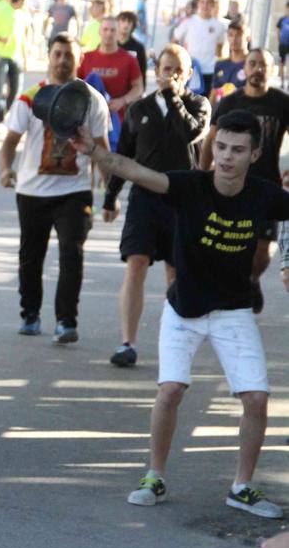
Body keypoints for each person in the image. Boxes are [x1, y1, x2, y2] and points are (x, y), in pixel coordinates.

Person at [86, 110, 289, 519]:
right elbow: (135, 170)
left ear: (256, 154)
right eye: (222, 147)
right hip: (184, 310)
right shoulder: (190, 186)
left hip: (233, 311)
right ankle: (154, 476)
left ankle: (242, 486)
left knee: (256, 398)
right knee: (171, 390)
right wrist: (94, 151)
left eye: (238, 150)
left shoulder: (264, 195)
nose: (227, 157)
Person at [100, 44, 210, 368]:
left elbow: (191, 132)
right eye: (166, 68)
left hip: (181, 200)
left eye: (178, 69)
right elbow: (125, 156)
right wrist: (110, 198)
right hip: (144, 199)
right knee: (136, 262)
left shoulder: (199, 105)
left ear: (189, 74)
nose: (171, 74)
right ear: (156, 71)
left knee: (175, 271)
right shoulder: (139, 109)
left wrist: (175, 97)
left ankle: (173, 343)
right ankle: (127, 342)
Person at [0, 34, 109, 343]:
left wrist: (109, 193)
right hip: (32, 192)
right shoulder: (31, 98)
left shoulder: (92, 100)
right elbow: (10, 142)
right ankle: (30, 314)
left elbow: (102, 149)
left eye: (68, 56)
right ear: (48, 57)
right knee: (30, 257)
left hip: (74, 193)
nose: (62, 61)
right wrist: (6, 169)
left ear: (79, 60)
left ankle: (66, 322)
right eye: (57, 54)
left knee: (72, 254)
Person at [200, 48, 289, 313]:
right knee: (228, 243)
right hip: (229, 186)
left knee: (263, 249)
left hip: (267, 185)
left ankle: (252, 280)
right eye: (252, 64)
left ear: (271, 70)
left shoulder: (281, 102)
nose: (257, 69)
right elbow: (210, 140)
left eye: (263, 65)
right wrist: (202, 176)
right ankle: (231, 290)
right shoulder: (229, 103)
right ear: (245, 68)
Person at [79, 17, 143, 122]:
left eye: (113, 30)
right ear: (99, 32)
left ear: (118, 33)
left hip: (117, 120)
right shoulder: (85, 58)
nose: (109, 34)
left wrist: (122, 101)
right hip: (88, 119)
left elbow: (138, 88)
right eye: (105, 29)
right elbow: (74, 84)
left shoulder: (129, 59)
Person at [174, 0, 227, 98]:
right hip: (191, 70)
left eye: (208, 2)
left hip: (210, 71)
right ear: (199, 4)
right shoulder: (189, 22)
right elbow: (174, 40)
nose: (205, 5)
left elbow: (220, 48)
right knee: (186, 102)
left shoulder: (219, 26)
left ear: (213, 5)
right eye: (202, 2)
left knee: (205, 103)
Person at [0, 0, 28, 127]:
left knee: (16, 88)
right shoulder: (2, 9)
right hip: (1, 55)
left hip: (16, 56)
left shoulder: (22, 15)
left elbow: (23, 38)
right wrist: (0, 39)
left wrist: (25, 58)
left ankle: (5, 111)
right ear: (20, 0)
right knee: (0, 87)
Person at [212, 21, 248, 97]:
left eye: (238, 35)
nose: (234, 39)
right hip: (223, 108)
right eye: (231, 35)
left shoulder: (252, 64)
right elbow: (214, 93)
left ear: (248, 38)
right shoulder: (220, 64)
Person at [115, 10, 147, 89]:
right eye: (123, 21)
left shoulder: (139, 47)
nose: (126, 24)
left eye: (129, 22)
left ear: (133, 25)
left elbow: (142, 71)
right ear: (117, 23)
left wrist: (141, 90)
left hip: (130, 90)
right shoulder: (108, 45)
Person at [277, 0, 289, 88]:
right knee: (282, 63)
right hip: (283, 45)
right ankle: (282, 83)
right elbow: (278, 30)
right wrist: (279, 41)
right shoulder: (282, 19)